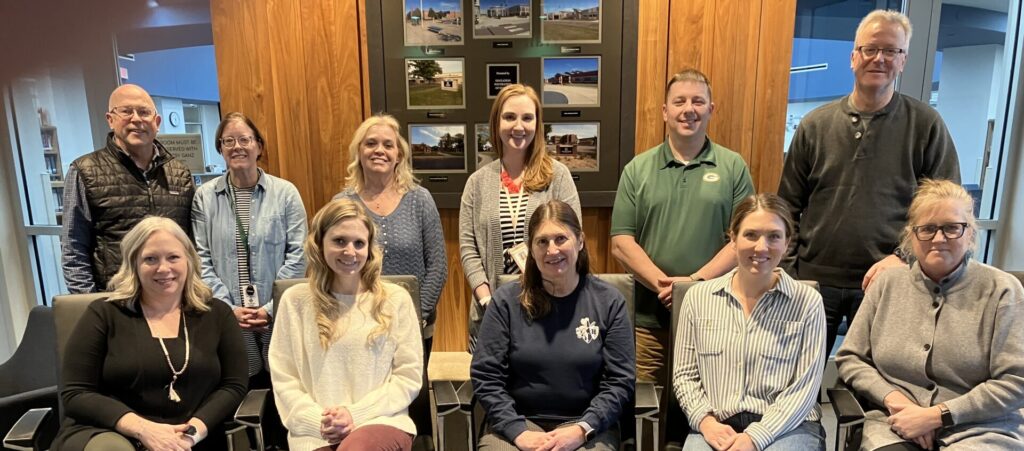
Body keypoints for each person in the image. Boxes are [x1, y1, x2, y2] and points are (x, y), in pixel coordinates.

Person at [777, 9, 960, 356]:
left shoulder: (926, 125)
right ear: (853, 57)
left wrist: (903, 257)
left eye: (891, 51)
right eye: (870, 49)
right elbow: (786, 208)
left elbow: (946, 211)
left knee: (875, 385)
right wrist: (791, 274)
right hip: (813, 283)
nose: (879, 58)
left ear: (903, 60)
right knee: (796, 382)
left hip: (889, 281)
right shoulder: (815, 125)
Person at [836, 179, 1024, 451]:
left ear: (970, 233)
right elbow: (850, 358)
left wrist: (937, 415)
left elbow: (1016, 381)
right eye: (927, 229)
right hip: (895, 426)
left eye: (951, 228)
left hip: (981, 430)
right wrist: (896, 401)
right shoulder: (886, 285)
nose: (938, 239)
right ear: (911, 236)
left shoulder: (1002, 291)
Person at [53, 217, 248, 451]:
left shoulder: (217, 313)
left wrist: (189, 436)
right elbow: (76, 393)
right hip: (113, 433)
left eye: (173, 257)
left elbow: (233, 385)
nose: (163, 268)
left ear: (189, 260)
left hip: (192, 438)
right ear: (133, 263)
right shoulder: (104, 314)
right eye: (150, 259)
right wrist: (144, 430)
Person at [611, 68, 754, 386]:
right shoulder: (638, 168)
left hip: (715, 317)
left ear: (711, 110)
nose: (689, 109)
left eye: (698, 101)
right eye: (679, 101)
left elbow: (743, 240)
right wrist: (667, 286)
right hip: (650, 321)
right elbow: (621, 242)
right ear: (665, 111)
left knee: (712, 407)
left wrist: (693, 283)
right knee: (648, 412)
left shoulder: (733, 167)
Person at [472, 200, 635, 451]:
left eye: (561, 239)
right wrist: (518, 432)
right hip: (518, 423)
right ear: (531, 249)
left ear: (580, 241)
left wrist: (582, 429)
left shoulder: (609, 302)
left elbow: (619, 382)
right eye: (542, 241)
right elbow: (487, 377)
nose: (552, 250)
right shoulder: (506, 302)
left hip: (587, 427)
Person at [673, 193, 826, 451]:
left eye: (774, 236)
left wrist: (757, 436)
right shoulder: (698, 298)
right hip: (718, 424)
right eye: (751, 235)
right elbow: (684, 375)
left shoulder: (807, 302)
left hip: (788, 426)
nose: (761, 247)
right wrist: (706, 422)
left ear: (787, 242)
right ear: (733, 238)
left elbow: (805, 387)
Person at [269, 199, 423, 451]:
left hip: (381, 422)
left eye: (359, 243)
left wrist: (355, 415)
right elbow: (285, 378)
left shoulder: (396, 299)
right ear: (319, 243)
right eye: (339, 241)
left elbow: (408, 378)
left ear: (370, 249)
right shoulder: (294, 302)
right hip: (316, 431)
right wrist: (319, 421)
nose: (350, 252)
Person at [460, 83, 582, 350]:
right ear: (497, 122)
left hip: (548, 310)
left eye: (527, 117)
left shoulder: (557, 176)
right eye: (509, 117)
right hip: (490, 310)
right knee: (492, 386)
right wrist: (487, 300)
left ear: (537, 123)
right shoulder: (477, 182)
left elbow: (572, 240)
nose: (519, 126)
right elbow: (469, 249)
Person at [192, 112, 307, 380]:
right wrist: (228, 309)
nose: (237, 146)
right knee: (240, 383)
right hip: (227, 315)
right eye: (228, 140)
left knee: (283, 383)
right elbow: (200, 258)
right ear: (220, 148)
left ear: (259, 145)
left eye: (244, 139)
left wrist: (270, 308)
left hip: (279, 314)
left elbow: (299, 254)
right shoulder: (204, 198)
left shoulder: (286, 193)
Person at [61, 84, 196, 293]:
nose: (136, 119)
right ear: (110, 119)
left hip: (171, 297)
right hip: (116, 301)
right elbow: (73, 248)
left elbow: (191, 243)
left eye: (144, 112)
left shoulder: (179, 173)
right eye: (126, 111)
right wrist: (89, 304)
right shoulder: (84, 171)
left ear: (157, 121)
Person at [334, 113, 447, 356]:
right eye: (371, 143)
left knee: (411, 392)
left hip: (416, 324)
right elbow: (332, 266)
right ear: (359, 152)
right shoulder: (342, 204)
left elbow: (438, 267)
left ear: (399, 155)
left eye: (388, 145)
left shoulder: (420, 199)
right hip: (358, 324)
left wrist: (416, 314)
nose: (379, 150)